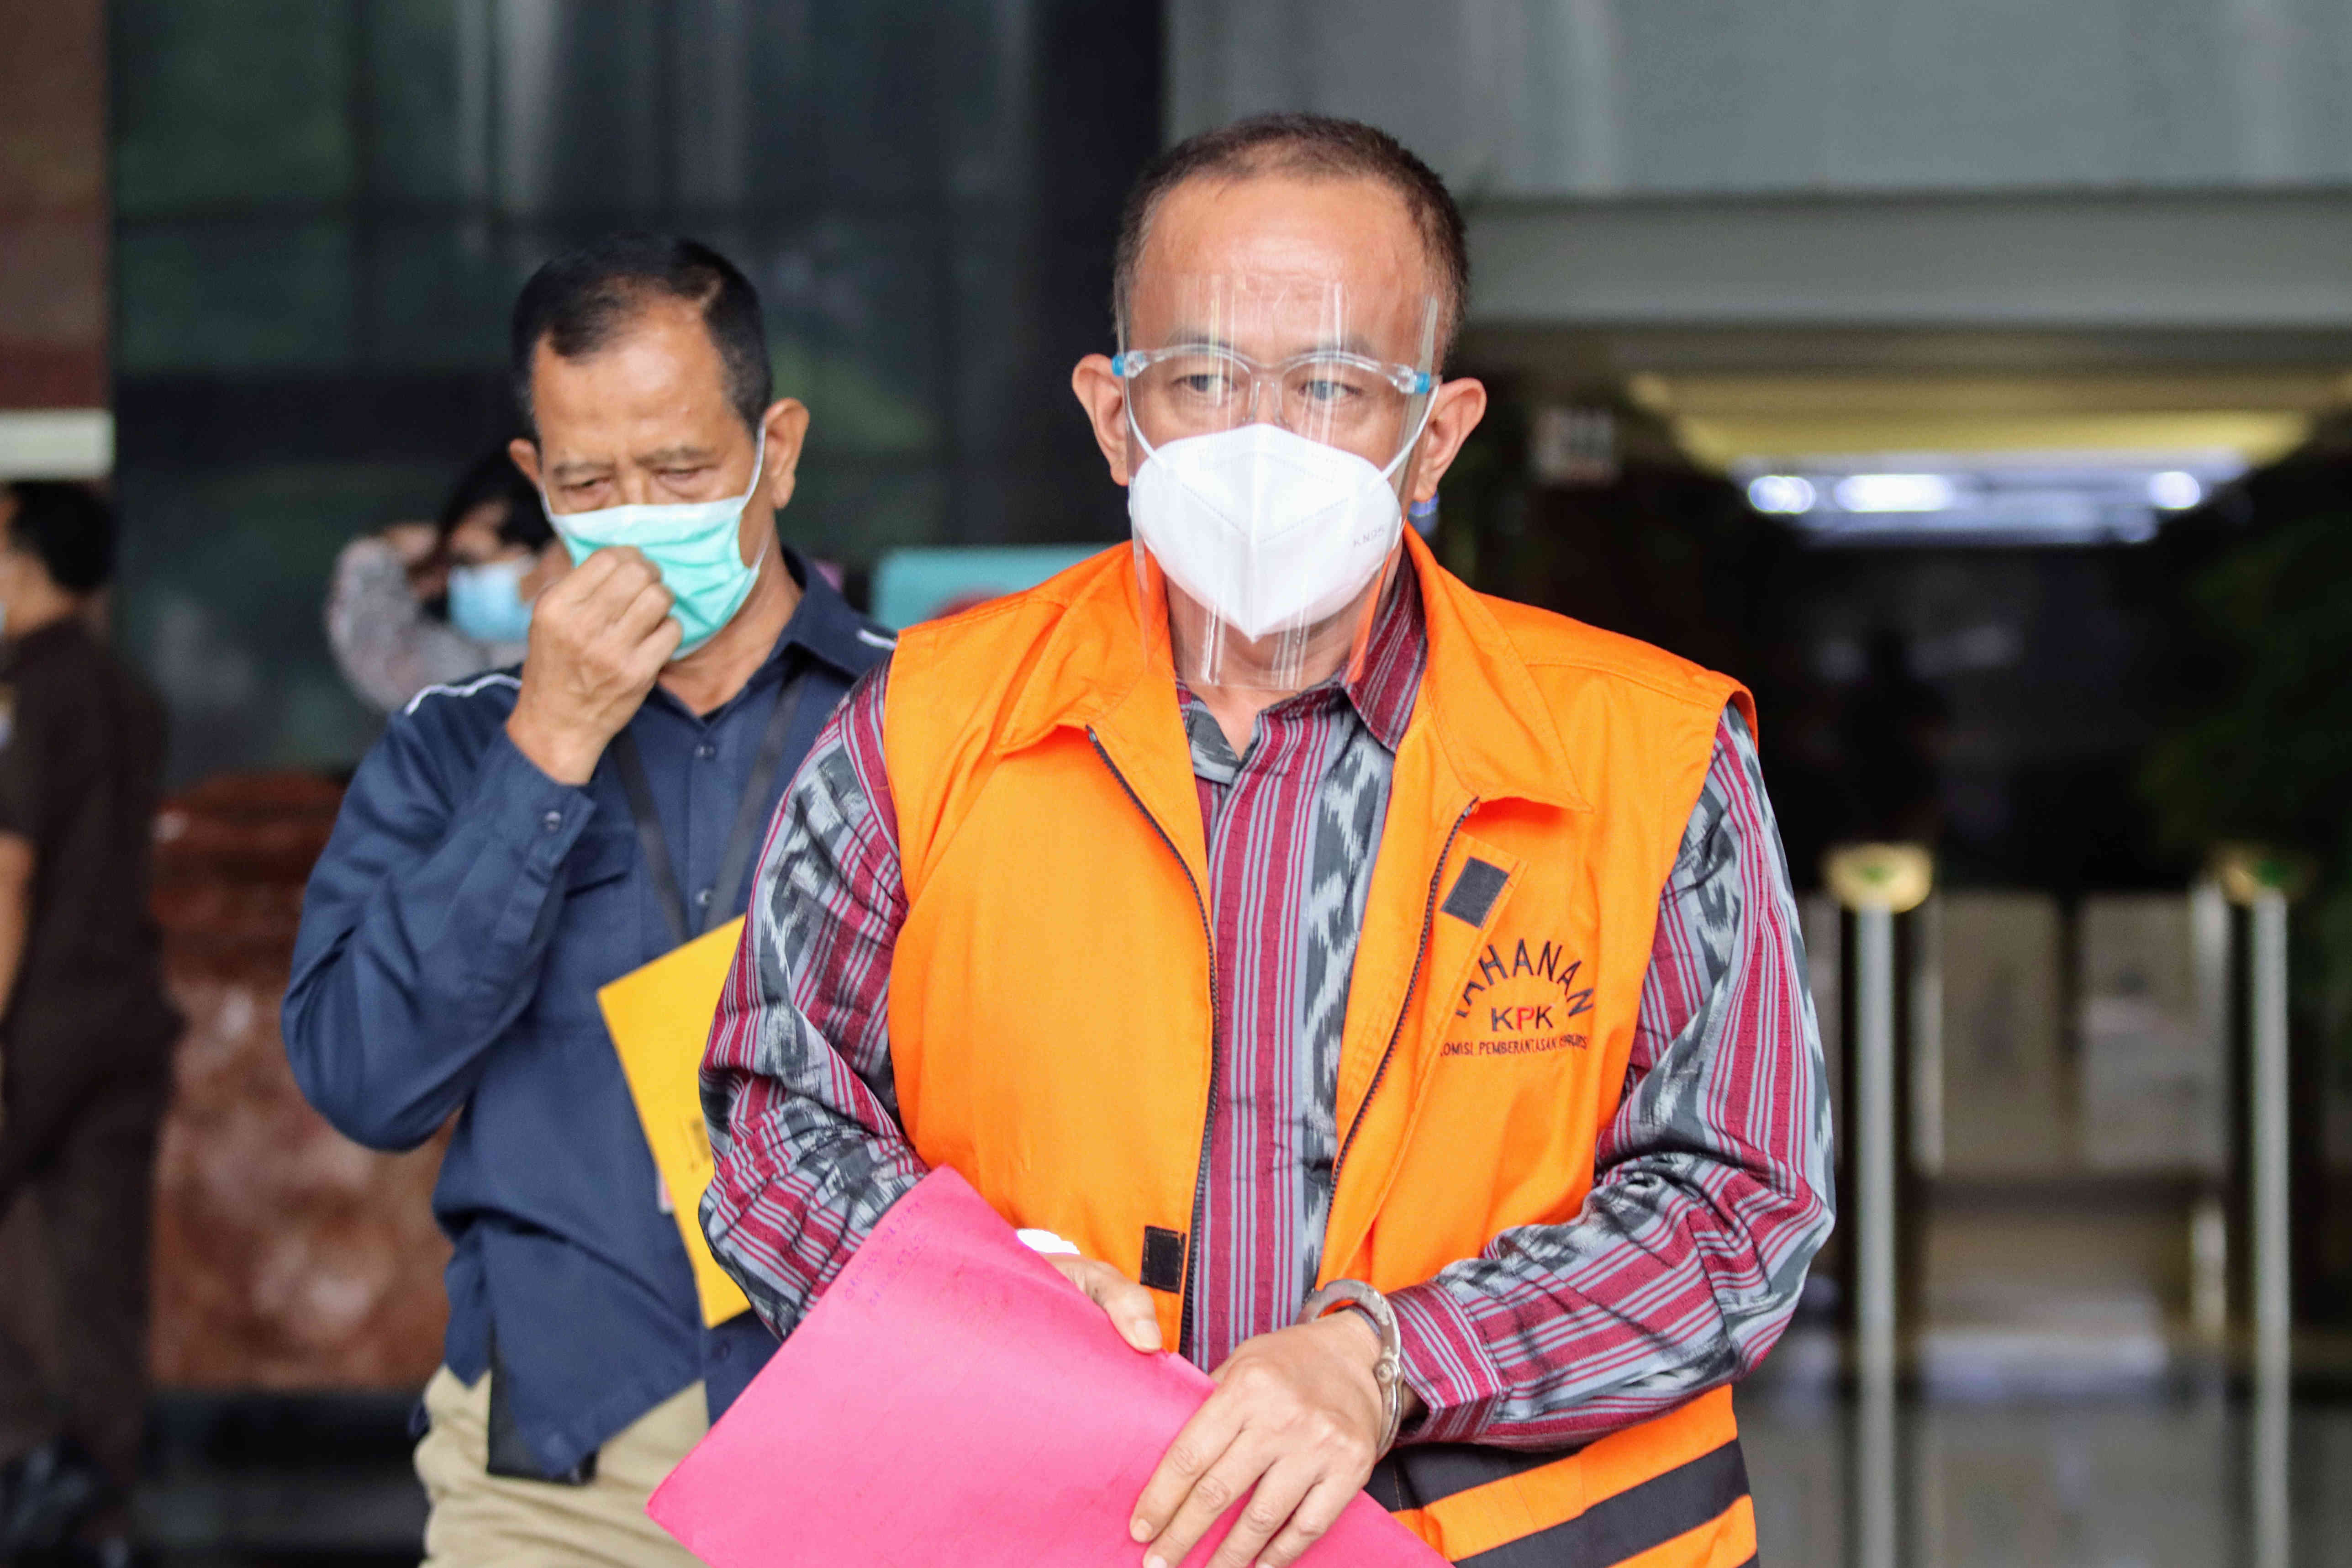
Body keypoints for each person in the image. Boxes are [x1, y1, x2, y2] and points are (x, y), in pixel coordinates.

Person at [702, 115, 1831, 1568]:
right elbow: (768, 1118)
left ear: (1438, 432)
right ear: (1116, 416)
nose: (1260, 439)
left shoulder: (1647, 753)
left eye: (1336, 386)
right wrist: (981, 1299)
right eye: (1202, 379)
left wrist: (1387, 1358)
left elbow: (1739, 1205)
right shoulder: (923, 722)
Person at [284, 234, 894, 1566]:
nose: (640, 510)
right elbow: (363, 1081)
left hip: (876, 1441)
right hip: (562, 1464)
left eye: (680, 470)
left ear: (776, 449)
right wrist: (545, 751)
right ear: (534, 480)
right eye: (589, 481)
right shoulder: (455, 747)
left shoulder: (922, 723)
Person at [0, 482, 178, 1566]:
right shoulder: (130, 690)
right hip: (126, 1012)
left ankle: (31, 1451)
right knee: (101, 1269)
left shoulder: (24, 685)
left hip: (39, 1016)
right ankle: (97, 1503)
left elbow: (7, 873)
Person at [326, 448, 568, 714]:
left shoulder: (579, 670)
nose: (459, 580)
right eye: (457, 562)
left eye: (471, 561)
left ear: (560, 560)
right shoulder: (465, 676)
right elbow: (377, 650)